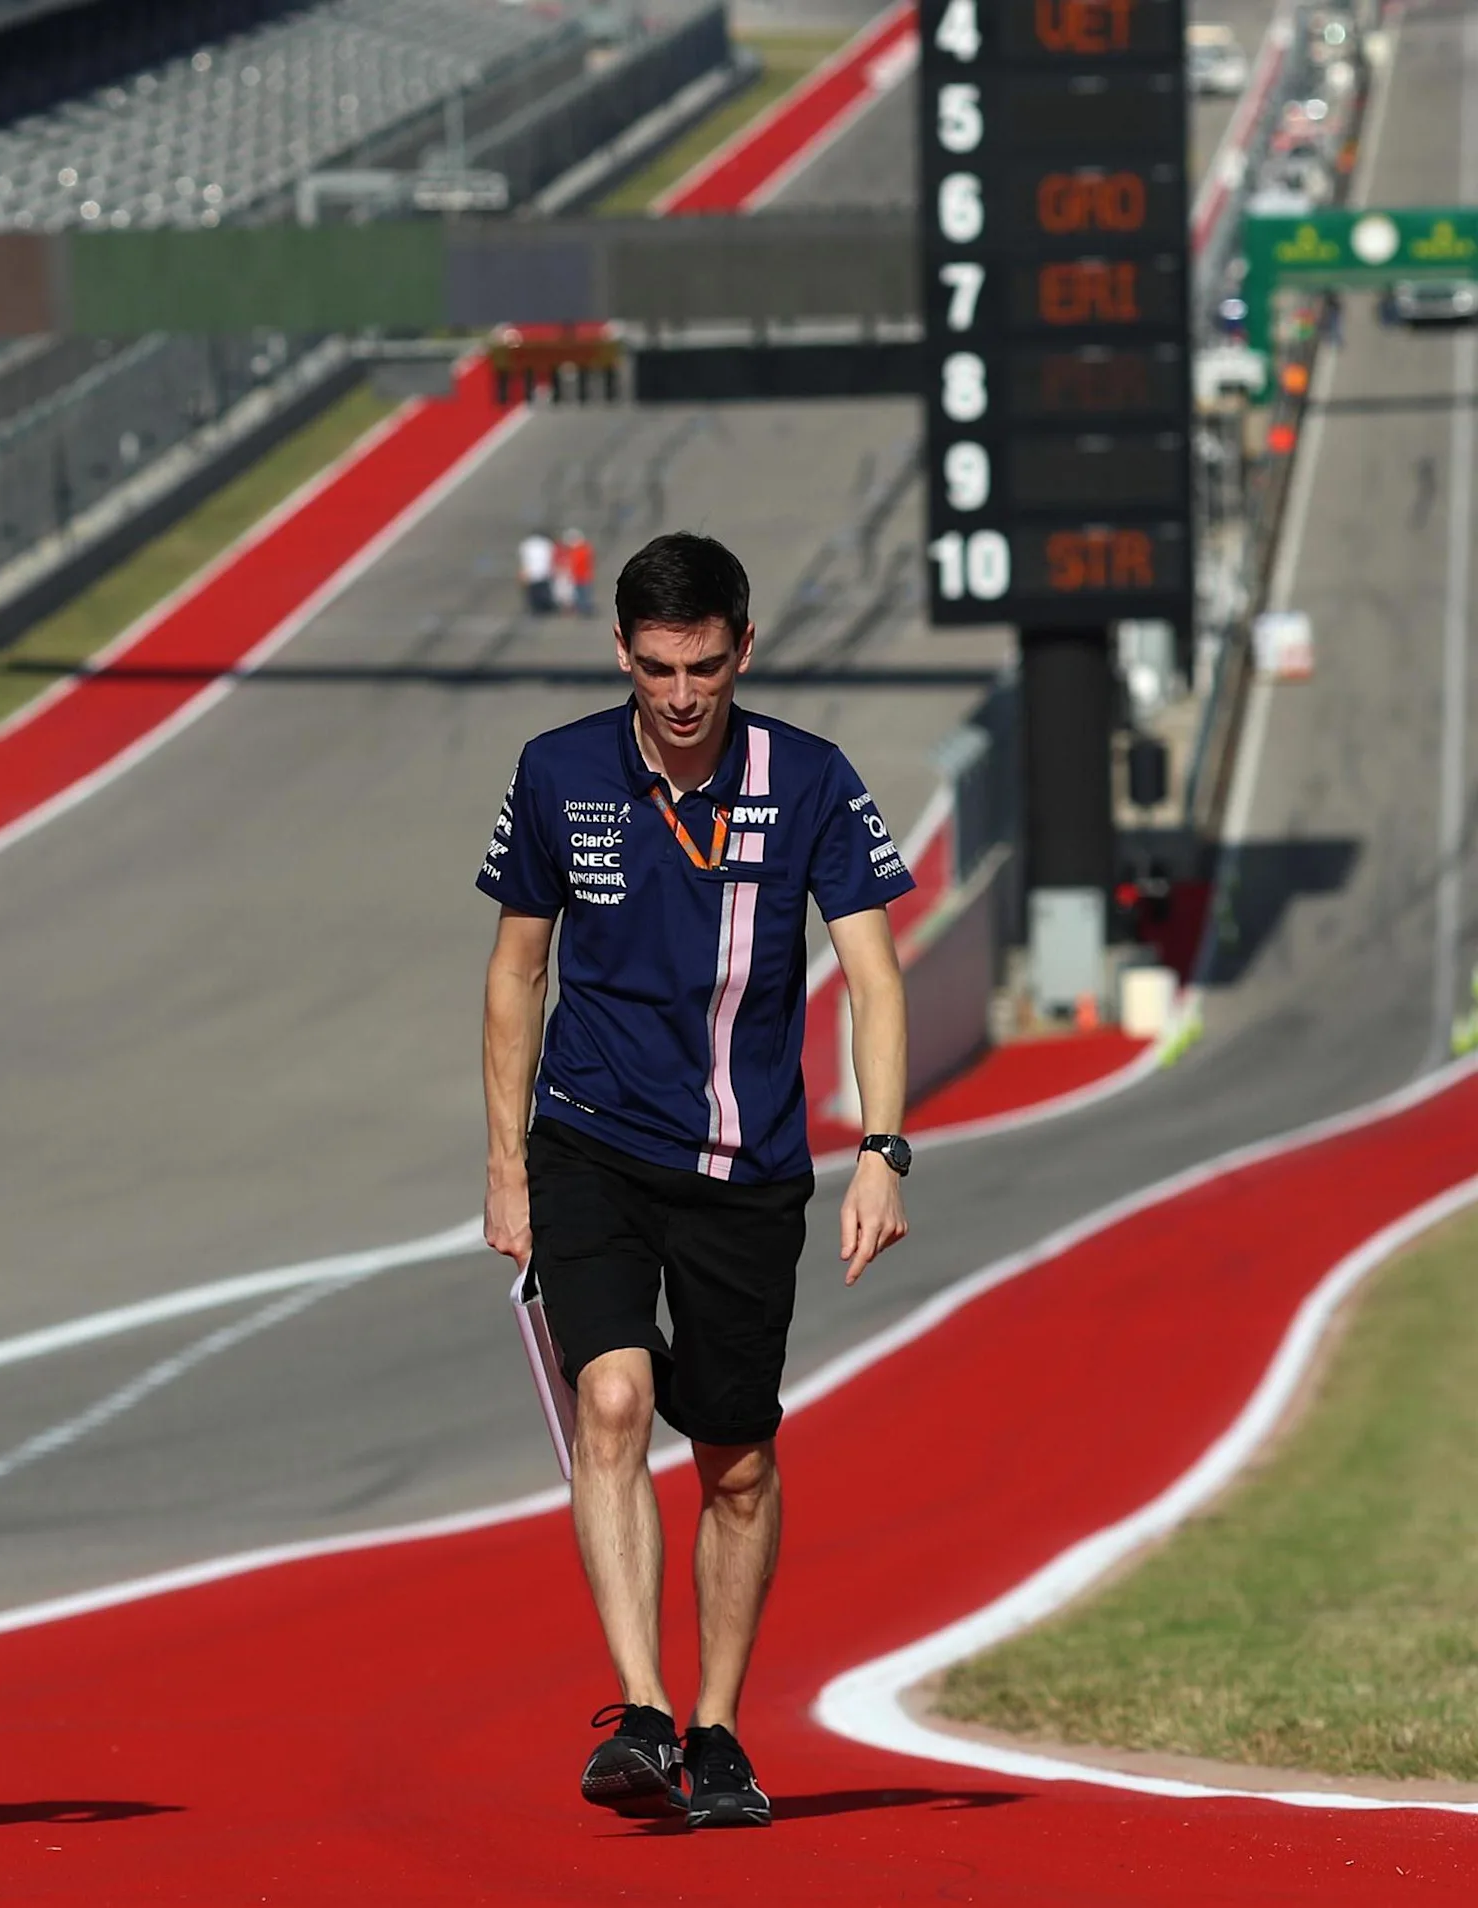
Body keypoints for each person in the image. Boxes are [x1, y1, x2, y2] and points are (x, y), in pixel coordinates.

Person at [474, 532, 914, 1830]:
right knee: (611, 1396)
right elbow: (515, 974)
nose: (681, 697)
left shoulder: (813, 780)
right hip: (590, 1141)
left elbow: (876, 977)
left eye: (705, 669)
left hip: (748, 1169)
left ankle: (719, 1729)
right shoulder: (559, 774)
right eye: (658, 668)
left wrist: (882, 1151)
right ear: (622, 652)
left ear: (743, 651)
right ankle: (645, 1711)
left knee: (734, 1458)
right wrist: (506, 1165)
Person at [519, 527, 560, 616]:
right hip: (544, 572)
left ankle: (536, 609)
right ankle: (543, 608)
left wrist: (523, 572)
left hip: (532, 572)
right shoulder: (547, 544)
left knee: (533, 593)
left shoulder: (527, 544)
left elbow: (525, 559)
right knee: (544, 591)